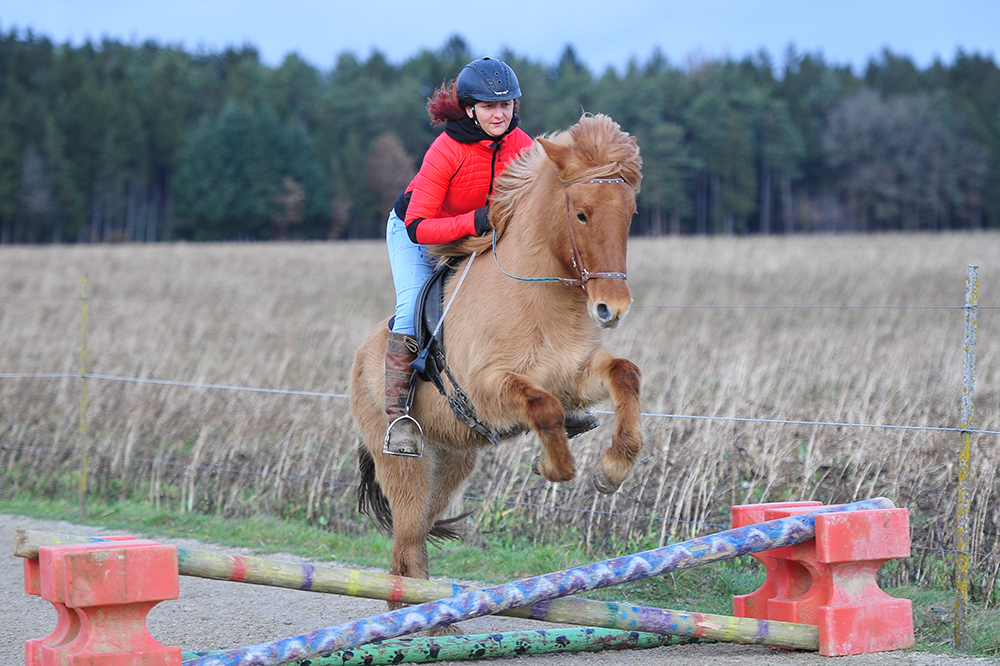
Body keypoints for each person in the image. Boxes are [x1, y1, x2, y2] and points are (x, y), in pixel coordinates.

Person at [382, 57, 533, 456]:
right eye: (489, 106)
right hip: (415, 232)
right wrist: (476, 220)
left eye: (506, 105)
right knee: (412, 302)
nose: (500, 114)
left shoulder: (522, 145)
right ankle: (399, 419)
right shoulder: (446, 149)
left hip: (477, 232)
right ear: (470, 109)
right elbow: (419, 226)